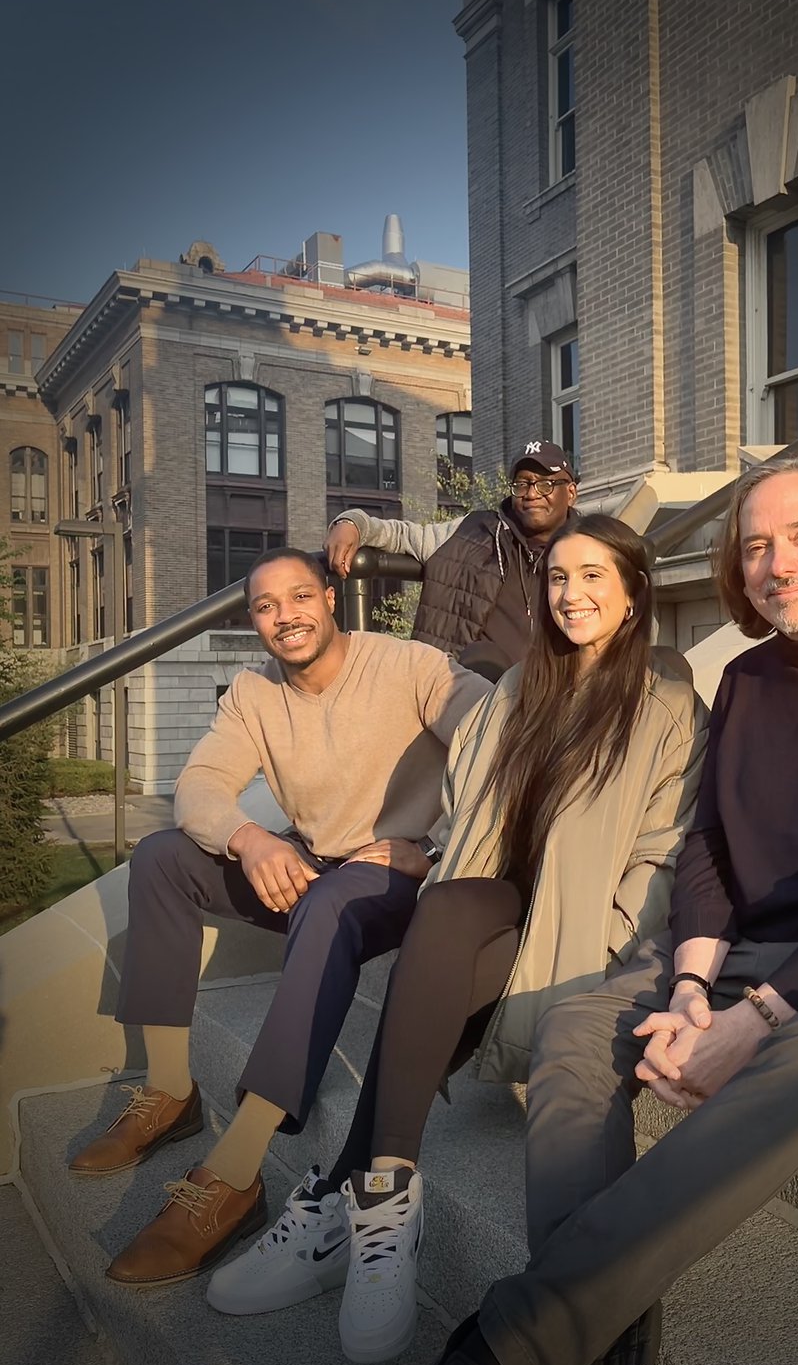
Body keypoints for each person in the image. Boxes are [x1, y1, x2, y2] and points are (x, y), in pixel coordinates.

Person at [408, 456, 798, 1365]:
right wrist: (689, 987)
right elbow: (713, 846)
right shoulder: (749, 678)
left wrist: (756, 1016)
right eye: (755, 544)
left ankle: (515, 1342)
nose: (778, 562)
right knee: (573, 1028)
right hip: (752, 951)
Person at [205, 514, 708, 1365]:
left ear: (632, 596)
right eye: (557, 578)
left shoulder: (670, 710)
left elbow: (662, 859)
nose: (571, 594)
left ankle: (338, 1199)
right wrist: (424, 853)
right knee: (441, 917)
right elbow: (469, 815)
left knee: (432, 967)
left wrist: (599, 950)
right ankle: (390, 1204)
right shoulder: (516, 689)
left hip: (574, 931)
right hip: (489, 908)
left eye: (594, 577)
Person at [68, 548, 490, 1289]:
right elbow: (199, 784)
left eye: (299, 597)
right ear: (255, 620)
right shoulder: (255, 694)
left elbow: (503, 741)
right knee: (164, 856)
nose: (285, 616)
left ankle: (234, 1175)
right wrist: (249, 837)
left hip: (397, 880)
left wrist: (440, 845)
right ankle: (171, 1090)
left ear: (330, 599)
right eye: (266, 606)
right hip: (315, 866)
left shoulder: (410, 666)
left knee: (328, 902)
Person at [324, 441, 580, 679]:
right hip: (475, 700)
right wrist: (351, 523)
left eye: (545, 484)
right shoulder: (473, 532)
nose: (532, 493)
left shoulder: (592, 547)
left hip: (563, 699)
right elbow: (401, 535)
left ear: (570, 493)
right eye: (522, 484)